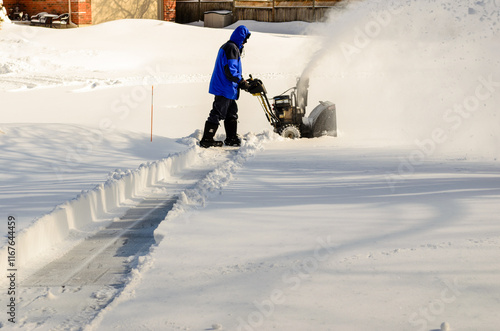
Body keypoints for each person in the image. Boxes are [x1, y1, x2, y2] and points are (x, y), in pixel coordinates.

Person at [200, 25, 251, 148]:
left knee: (231, 112)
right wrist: (241, 82)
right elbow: (230, 70)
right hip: (224, 86)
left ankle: (231, 138)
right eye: (245, 39)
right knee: (218, 112)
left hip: (228, 87)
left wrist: (241, 80)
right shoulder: (231, 48)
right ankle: (207, 139)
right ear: (240, 38)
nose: (245, 43)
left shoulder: (231, 47)